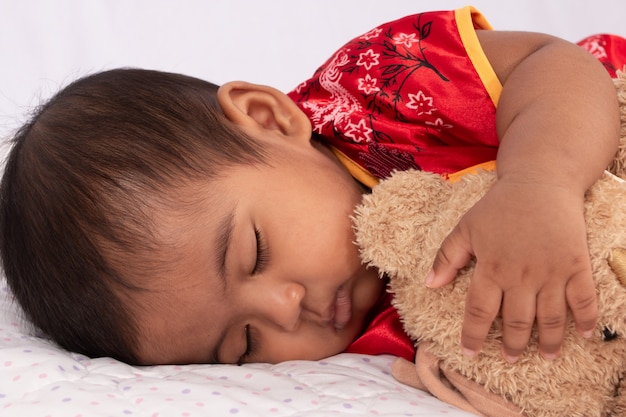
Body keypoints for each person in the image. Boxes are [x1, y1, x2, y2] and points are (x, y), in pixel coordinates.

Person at [0, 6, 622, 366]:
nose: (284, 308)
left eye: (254, 253)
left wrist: (540, 180)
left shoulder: (379, 88)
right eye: (242, 346)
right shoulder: (377, 342)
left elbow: (559, 63)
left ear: (267, 119)